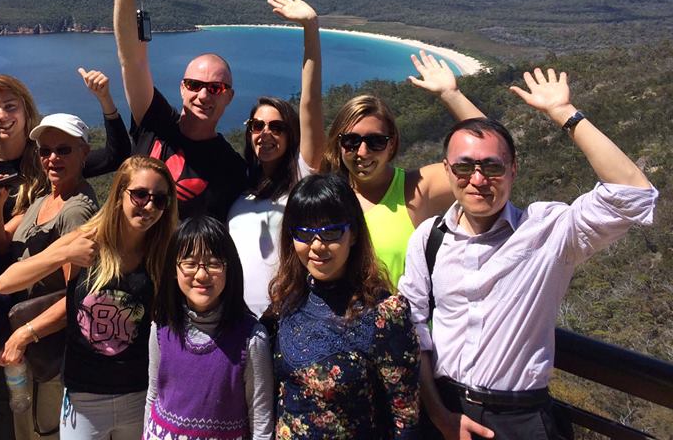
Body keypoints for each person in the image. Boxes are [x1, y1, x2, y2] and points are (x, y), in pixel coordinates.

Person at [398, 68, 657, 440]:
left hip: (521, 418)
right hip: (442, 411)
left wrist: (565, 113)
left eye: (492, 166)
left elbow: (633, 196)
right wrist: (439, 415)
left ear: (513, 169)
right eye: (464, 167)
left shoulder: (547, 232)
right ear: (447, 170)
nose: (477, 179)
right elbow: (413, 327)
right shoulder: (429, 237)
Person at [267, 173, 420, 439]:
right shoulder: (285, 303)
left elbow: (405, 420)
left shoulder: (386, 313)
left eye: (331, 232)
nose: (316, 245)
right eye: (304, 232)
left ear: (354, 234)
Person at [113, 0, 247, 220]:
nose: (202, 95)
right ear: (182, 88)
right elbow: (132, 60)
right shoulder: (156, 121)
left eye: (215, 88)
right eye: (194, 85)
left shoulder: (232, 168)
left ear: (229, 97)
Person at [320, 51, 483, 286]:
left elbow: (490, 157)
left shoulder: (416, 190)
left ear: (392, 143)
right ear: (339, 142)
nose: (363, 152)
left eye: (376, 142)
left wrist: (451, 95)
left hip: (409, 323)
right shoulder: (329, 196)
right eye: (351, 141)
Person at [0, 112, 101, 440]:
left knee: (44, 431)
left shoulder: (75, 211)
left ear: (84, 152)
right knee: (26, 427)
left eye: (64, 150)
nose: (53, 158)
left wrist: (24, 334)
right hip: (30, 344)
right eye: (45, 150)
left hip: (49, 348)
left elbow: (77, 296)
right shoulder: (44, 198)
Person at [59, 155, 179, 440]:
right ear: (118, 194)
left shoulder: (164, 254)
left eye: (160, 200)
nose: (149, 206)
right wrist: (62, 254)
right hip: (83, 396)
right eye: (139, 195)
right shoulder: (87, 241)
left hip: (139, 393)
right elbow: (6, 282)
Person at [228, 0, 324, 316]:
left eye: (277, 127)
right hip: (234, 324)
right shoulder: (239, 185)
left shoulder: (301, 178)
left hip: (285, 321)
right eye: (257, 126)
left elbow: (310, 103)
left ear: (291, 134)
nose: (265, 134)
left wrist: (310, 28)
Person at [0, 69, 131, 255]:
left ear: (25, 108)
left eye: (10, 106)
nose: (1, 116)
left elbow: (116, 155)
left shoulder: (50, 161)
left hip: (18, 269)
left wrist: (105, 99)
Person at [146, 215, 274, 440]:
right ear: (173, 270)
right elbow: (153, 395)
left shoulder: (251, 339)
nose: (201, 274)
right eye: (189, 263)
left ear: (230, 268)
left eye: (214, 263)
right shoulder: (161, 327)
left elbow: (261, 419)